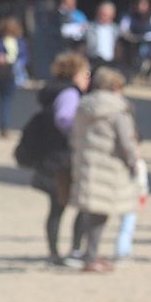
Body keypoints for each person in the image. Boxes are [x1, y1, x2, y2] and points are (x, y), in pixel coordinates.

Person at [69, 67, 144, 273]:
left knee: (90, 211)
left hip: (87, 163)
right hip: (109, 167)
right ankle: (91, 256)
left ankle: (87, 252)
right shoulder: (117, 109)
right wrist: (134, 161)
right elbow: (126, 141)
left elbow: (73, 134)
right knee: (100, 213)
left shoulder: (85, 105)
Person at [29, 53, 90, 264]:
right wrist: (80, 133)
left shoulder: (52, 91)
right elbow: (64, 119)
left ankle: (54, 251)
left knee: (57, 207)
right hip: (64, 158)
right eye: (85, 73)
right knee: (81, 204)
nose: (87, 78)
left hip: (51, 155)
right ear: (74, 73)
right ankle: (74, 250)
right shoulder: (69, 93)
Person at [0, 17, 29, 137]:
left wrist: (17, 63)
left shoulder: (18, 42)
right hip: (0, 72)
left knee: (5, 100)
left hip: (13, 73)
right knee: (4, 100)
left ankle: (4, 125)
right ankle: (4, 125)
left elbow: (24, 57)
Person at [119, 0, 151, 77]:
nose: (141, 7)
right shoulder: (129, 16)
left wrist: (147, 36)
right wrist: (133, 37)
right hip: (134, 44)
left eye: (143, 4)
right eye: (139, 4)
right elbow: (123, 30)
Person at [83, 2, 119, 69]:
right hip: (93, 62)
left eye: (105, 15)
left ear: (112, 15)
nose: (102, 17)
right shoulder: (88, 28)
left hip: (111, 63)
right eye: (101, 14)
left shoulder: (117, 30)